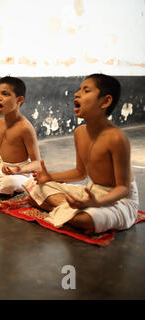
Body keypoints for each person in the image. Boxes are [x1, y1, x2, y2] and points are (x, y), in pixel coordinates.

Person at [24, 74, 139, 234]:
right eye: (78, 90)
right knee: (35, 187)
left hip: (119, 199)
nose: (77, 94)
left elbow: (123, 188)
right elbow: (80, 173)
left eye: (86, 90)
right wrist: (49, 177)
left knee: (85, 219)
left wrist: (97, 203)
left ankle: (63, 208)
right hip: (93, 191)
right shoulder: (79, 132)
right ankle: (70, 208)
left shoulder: (117, 138)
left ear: (105, 101)